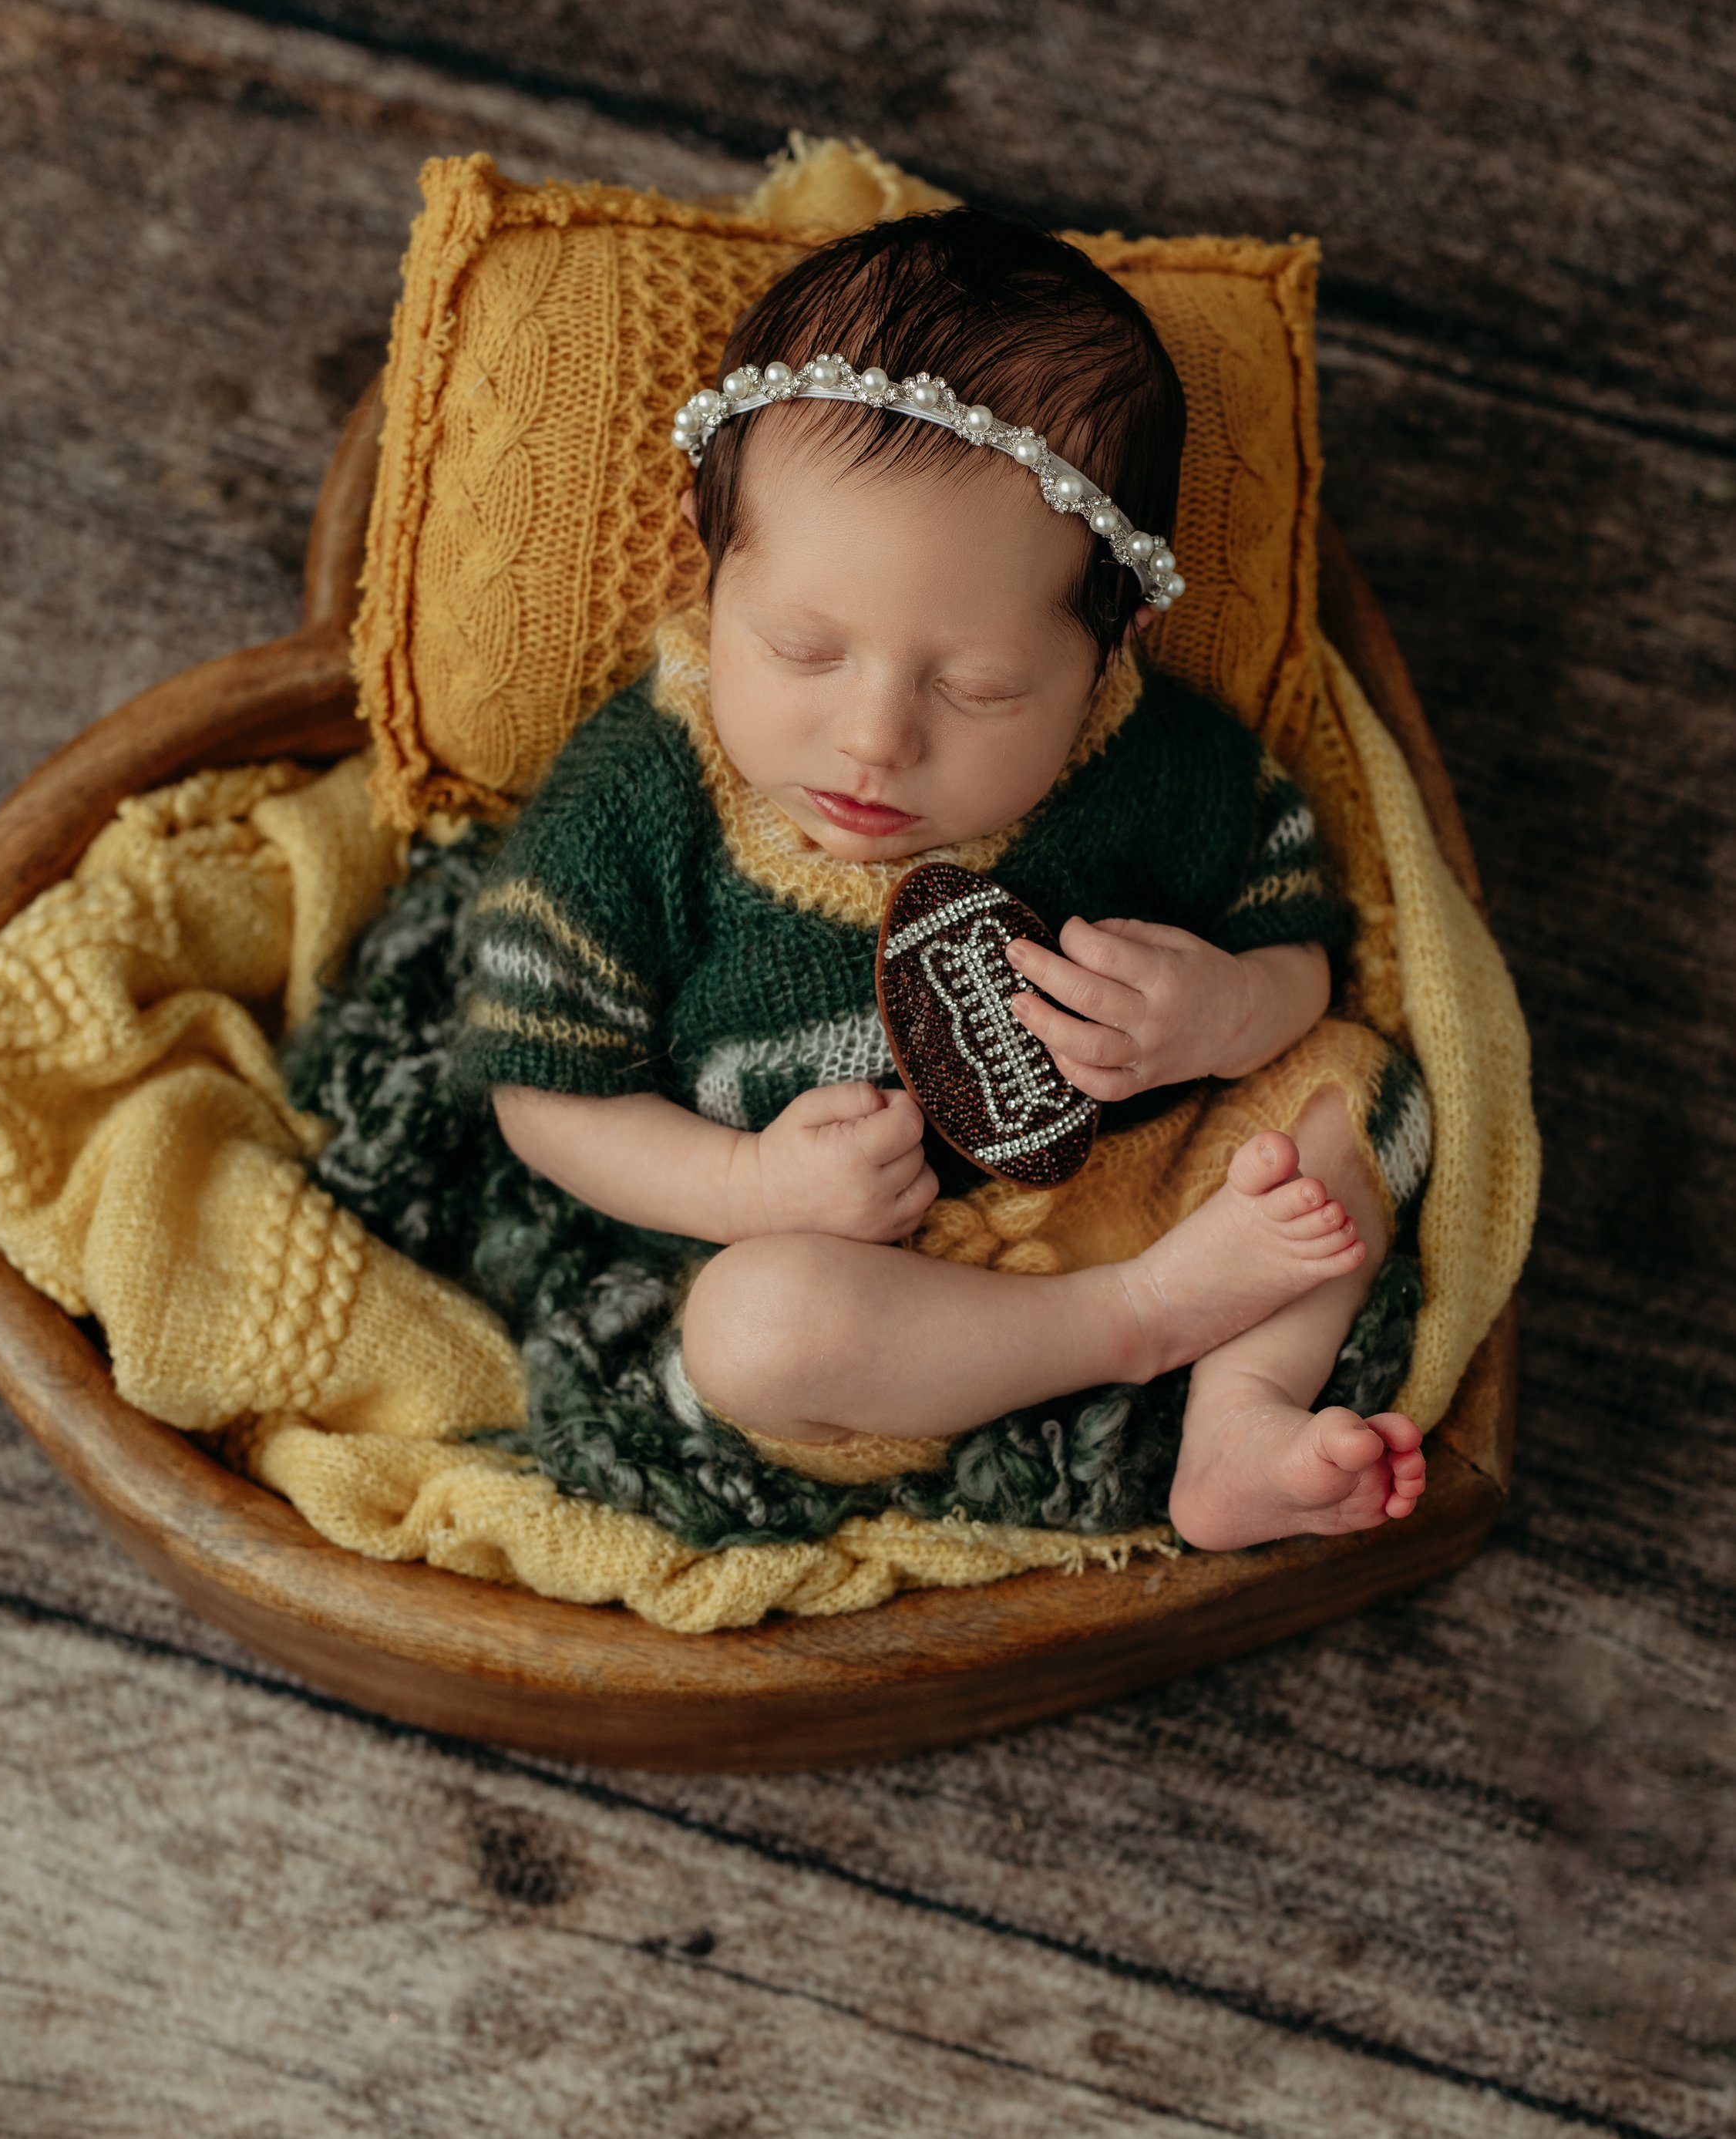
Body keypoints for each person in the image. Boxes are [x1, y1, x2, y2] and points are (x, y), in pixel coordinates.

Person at [339, 209, 1431, 1552]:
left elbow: (1301, 944)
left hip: (1140, 1183)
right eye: (803, 649)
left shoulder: (1158, 765)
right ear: (710, 549)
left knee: (1351, 1092)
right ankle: (1144, 1323)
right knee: (758, 1329)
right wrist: (748, 1190)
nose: (875, 739)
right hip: (862, 1302)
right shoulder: (641, 794)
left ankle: (1239, 1417)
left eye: (980, 689)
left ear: (1111, 642)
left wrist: (1223, 1014)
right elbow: (543, 1097)